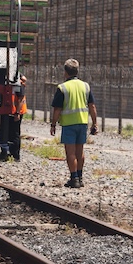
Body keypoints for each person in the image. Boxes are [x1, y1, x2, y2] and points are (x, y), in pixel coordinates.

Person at [50, 59, 98, 189]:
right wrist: (95, 123)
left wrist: (53, 124)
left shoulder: (62, 88)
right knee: (80, 151)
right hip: (82, 122)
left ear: (65, 72)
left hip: (69, 124)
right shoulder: (85, 86)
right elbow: (92, 106)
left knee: (70, 152)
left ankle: (74, 178)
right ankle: (80, 177)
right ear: (77, 71)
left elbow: (57, 109)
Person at [8, 75, 27, 161]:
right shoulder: (12, 83)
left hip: (17, 111)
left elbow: (21, 99)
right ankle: (8, 152)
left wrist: (17, 113)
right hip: (11, 111)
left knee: (15, 133)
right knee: (9, 132)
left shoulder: (18, 84)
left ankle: (15, 155)